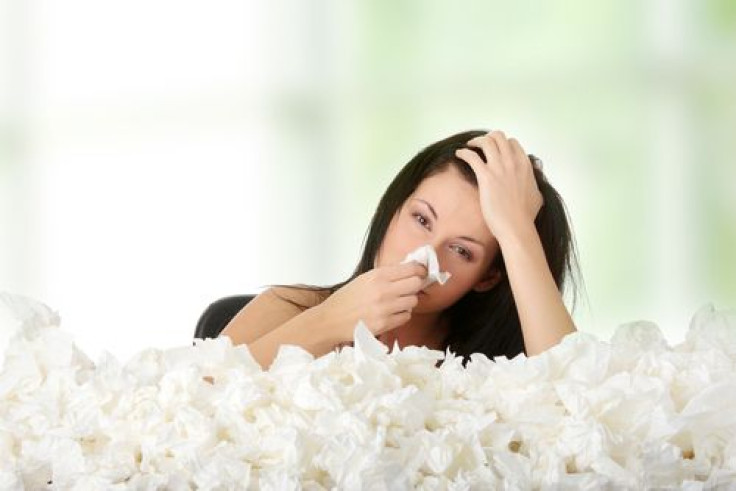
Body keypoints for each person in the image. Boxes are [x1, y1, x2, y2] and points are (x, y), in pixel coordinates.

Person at [221, 129, 580, 369]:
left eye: (461, 250)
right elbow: (184, 403)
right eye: (422, 220)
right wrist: (331, 320)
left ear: (486, 277)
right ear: (393, 206)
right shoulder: (287, 307)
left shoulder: (497, 367)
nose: (425, 255)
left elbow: (579, 402)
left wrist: (516, 229)